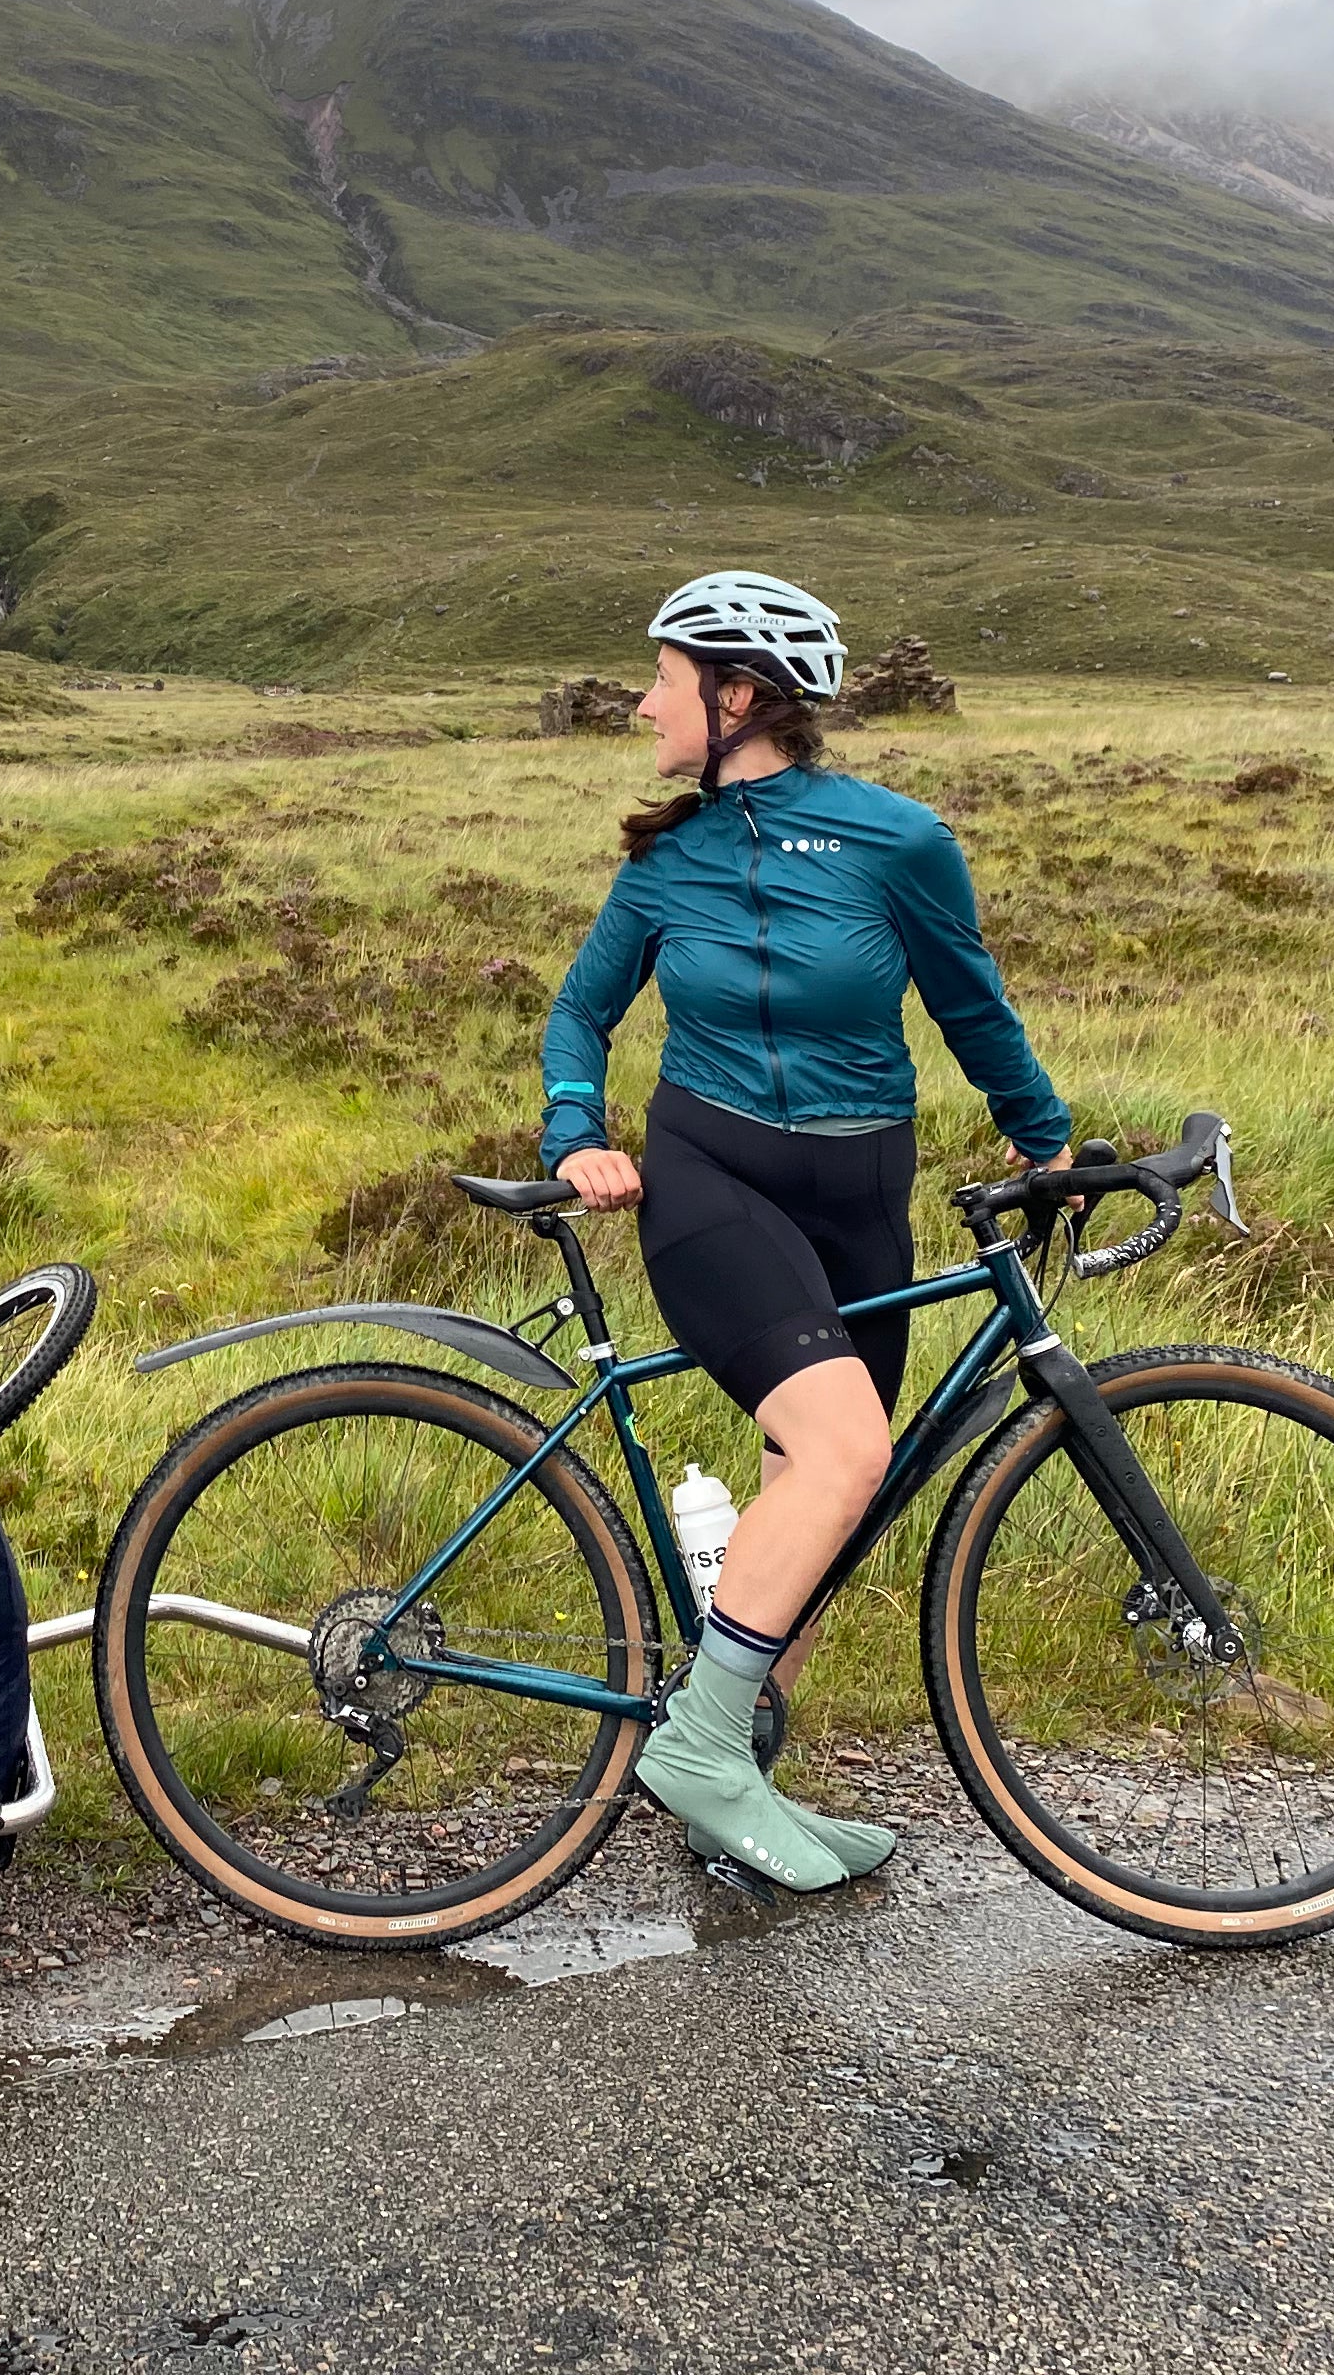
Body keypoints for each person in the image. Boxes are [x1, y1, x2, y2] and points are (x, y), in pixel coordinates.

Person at [538, 570, 1071, 1892]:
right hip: (712, 1180)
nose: (642, 701)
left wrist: (1045, 1136)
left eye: (663, 678)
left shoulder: (896, 840)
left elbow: (974, 1007)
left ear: (737, 697)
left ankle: (734, 1776)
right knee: (844, 1449)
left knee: (824, 1494)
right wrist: (575, 1134)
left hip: (860, 1196)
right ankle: (701, 1753)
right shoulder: (665, 862)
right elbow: (579, 1017)